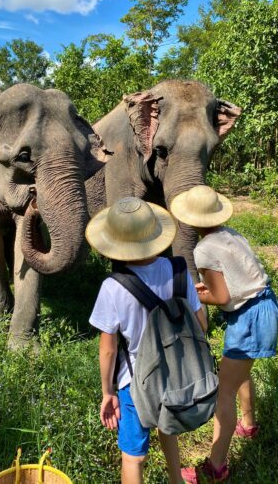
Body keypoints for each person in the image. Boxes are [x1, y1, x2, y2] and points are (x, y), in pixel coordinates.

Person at [86, 196, 207, 484]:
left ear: (114, 243)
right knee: (168, 425)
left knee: (133, 455)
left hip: (135, 382)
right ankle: (176, 480)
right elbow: (201, 324)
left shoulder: (112, 287)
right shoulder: (178, 269)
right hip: (176, 373)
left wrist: (108, 392)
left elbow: (108, 349)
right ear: (155, 235)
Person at [170, 185, 278, 483]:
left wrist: (192, 297)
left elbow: (220, 297)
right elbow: (235, 281)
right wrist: (204, 290)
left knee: (224, 391)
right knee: (240, 371)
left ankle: (216, 466)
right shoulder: (231, 234)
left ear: (191, 220)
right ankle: (249, 424)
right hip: (265, 306)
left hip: (249, 318)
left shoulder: (203, 249)